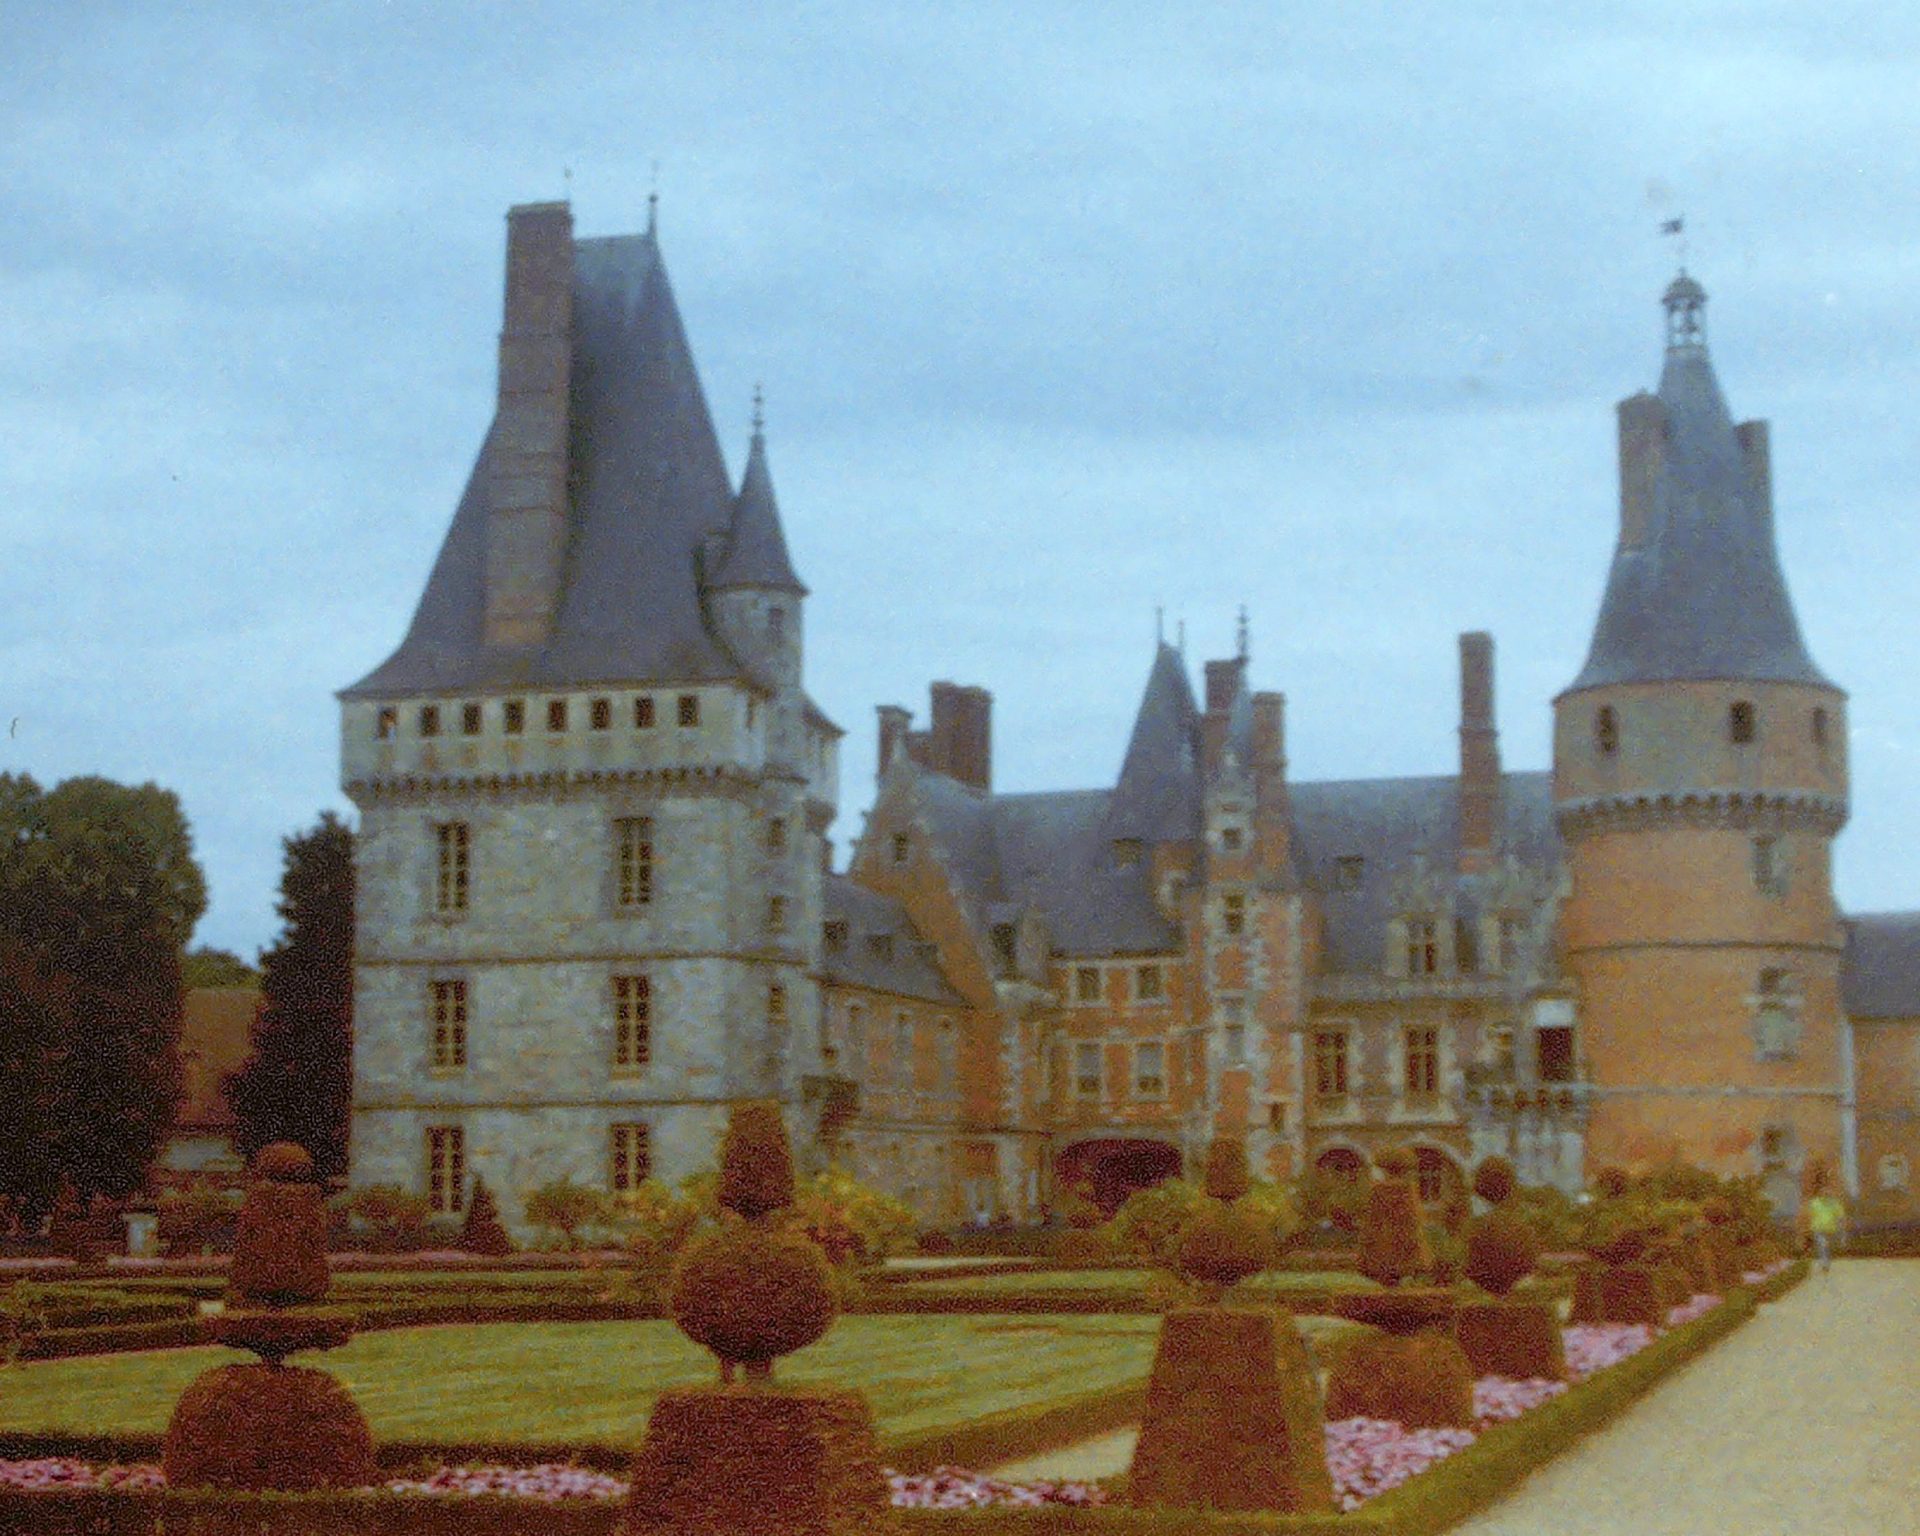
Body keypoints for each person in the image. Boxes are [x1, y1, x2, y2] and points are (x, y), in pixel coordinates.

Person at [1805, 1184, 1846, 1274]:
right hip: (1818, 1229)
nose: (1825, 1194)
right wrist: (1808, 1227)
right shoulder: (1814, 1203)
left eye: (1827, 1193)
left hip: (1831, 1229)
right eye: (1823, 1193)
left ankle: (1826, 1261)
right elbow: (1809, 1215)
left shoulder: (1834, 1203)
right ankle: (1825, 1264)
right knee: (1823, 1245)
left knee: (1827, 1247)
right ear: (1820, 1194)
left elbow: (1840, 1216)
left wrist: (1841, 1228)